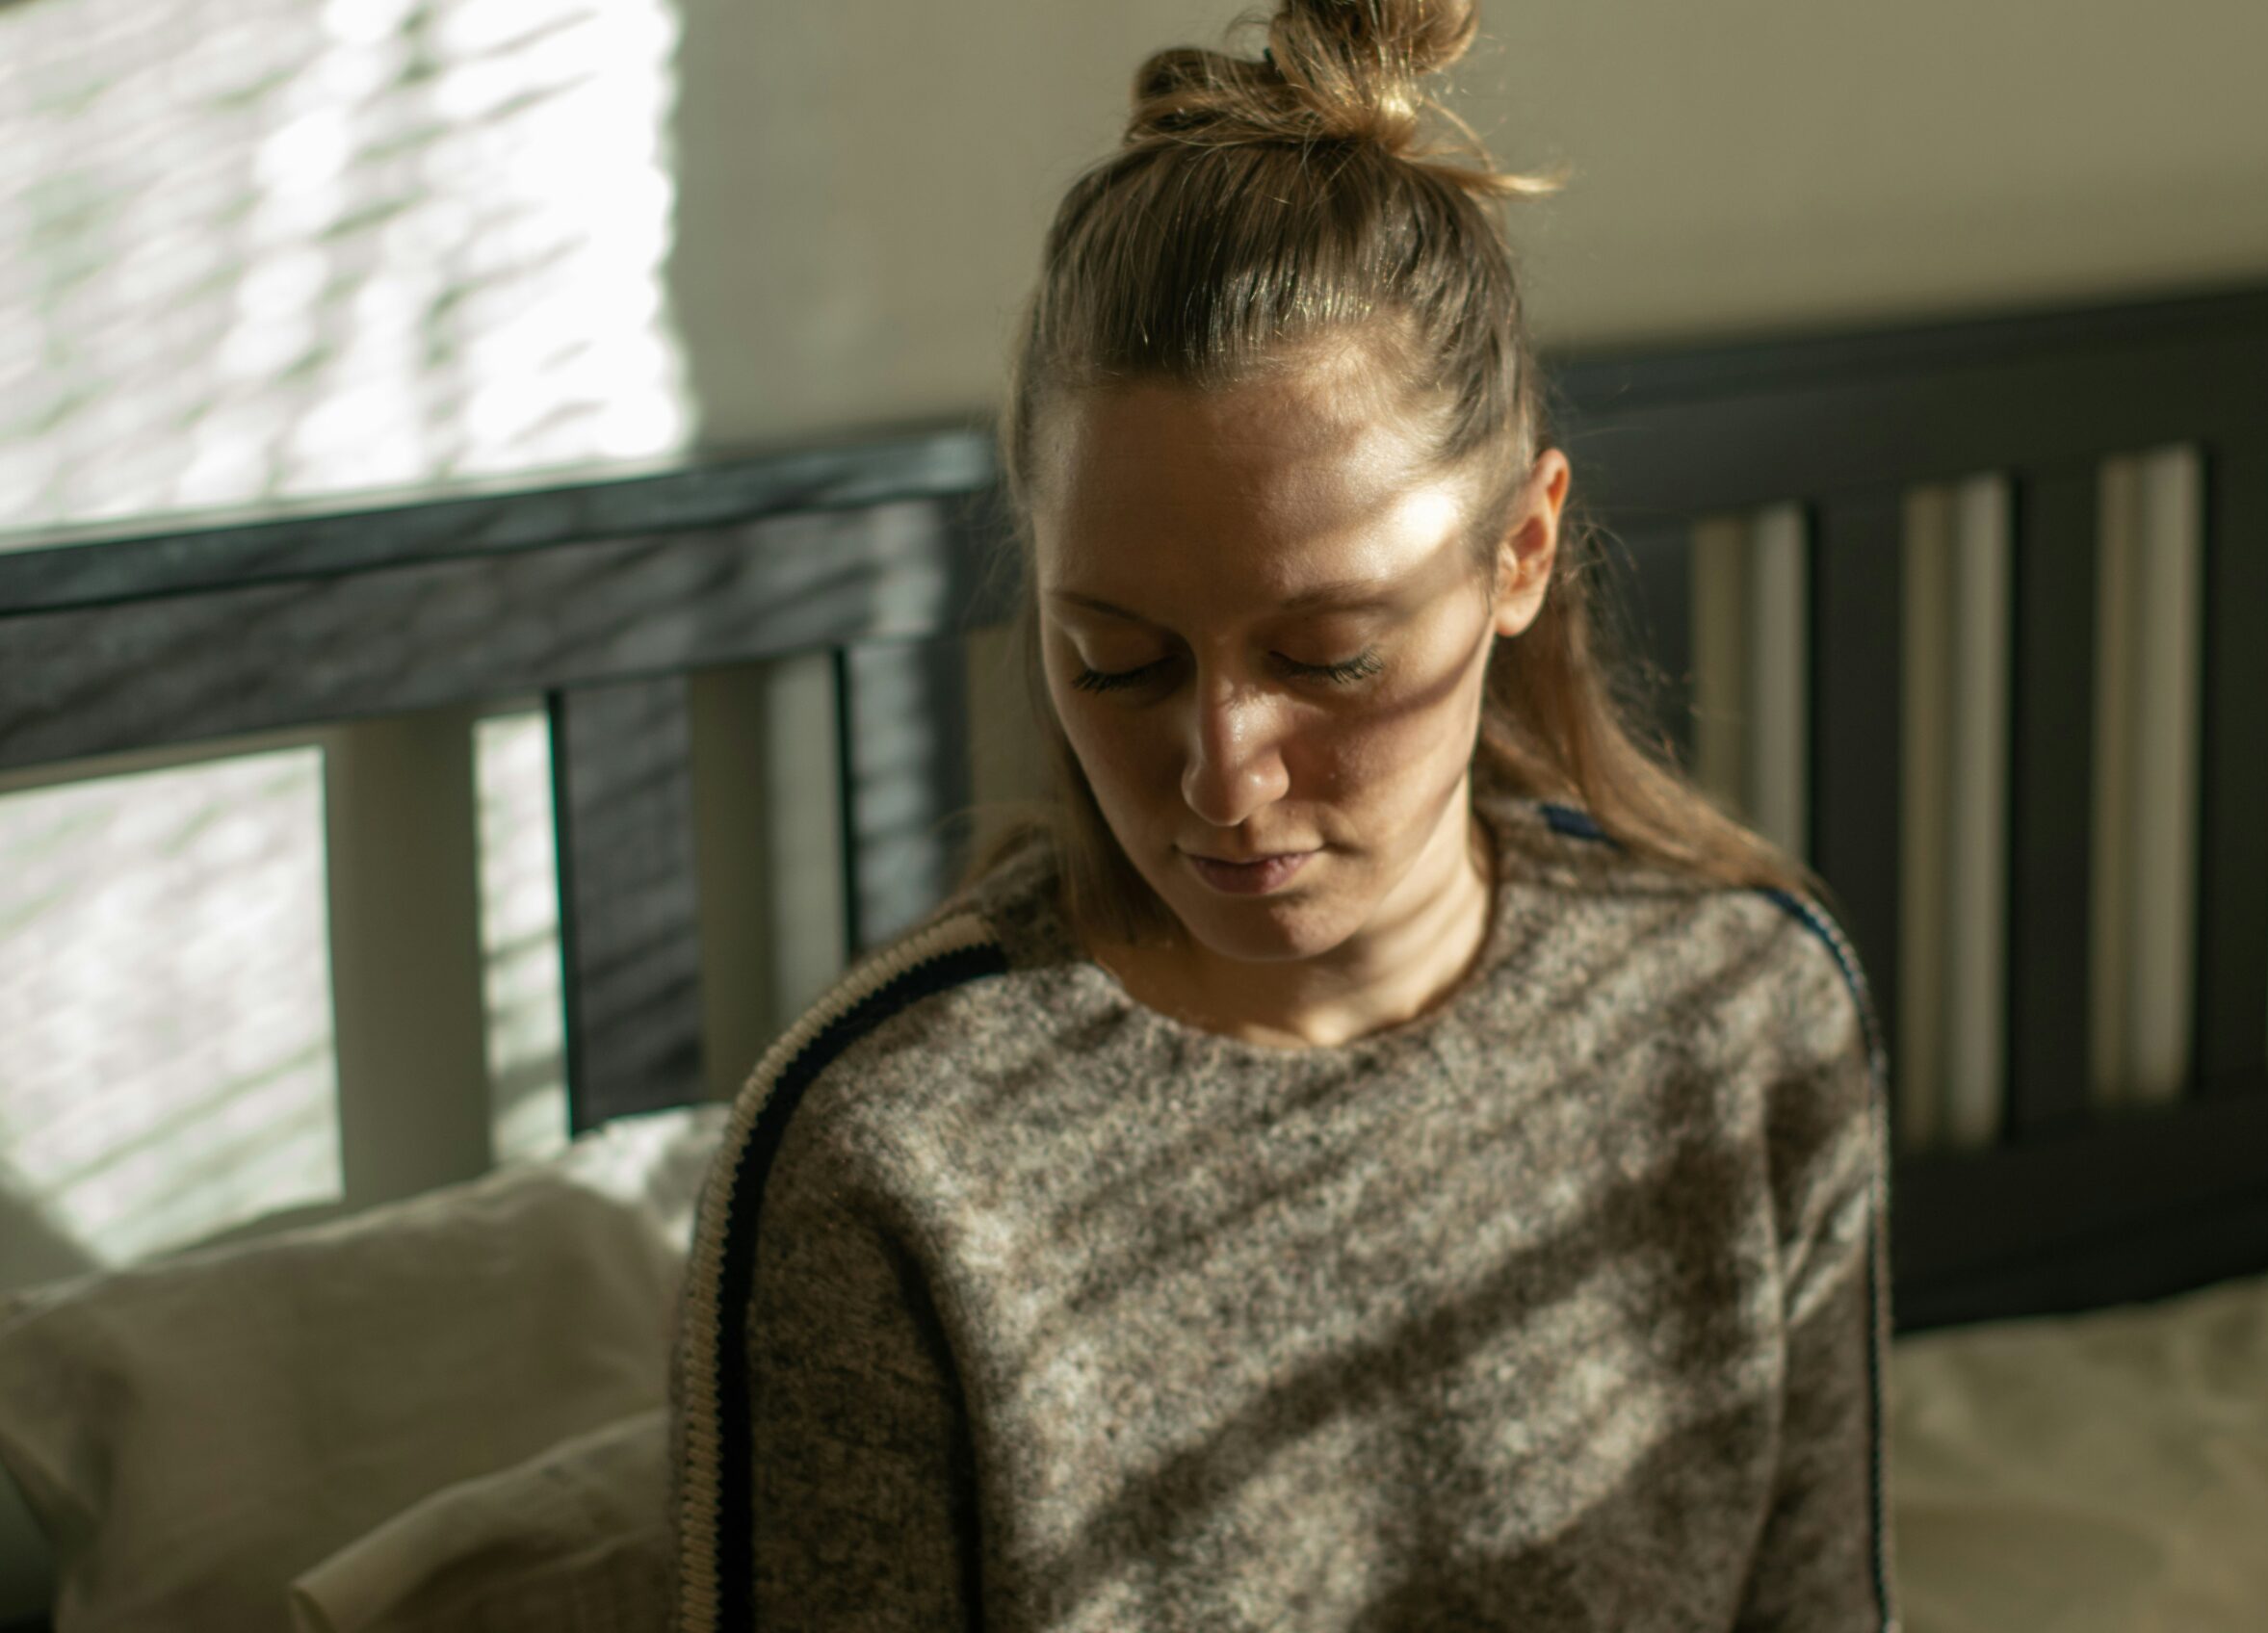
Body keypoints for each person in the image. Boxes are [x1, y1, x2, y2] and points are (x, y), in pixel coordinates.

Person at [665, 1, 1897, 1627]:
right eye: (1117, 661)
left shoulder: (1746, 1019)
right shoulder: (884, 1169)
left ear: (1520, 554)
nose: (1224, 778)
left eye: (1328, 658)